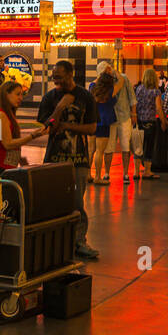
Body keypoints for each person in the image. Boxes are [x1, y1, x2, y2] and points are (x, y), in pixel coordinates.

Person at [36, 60, 100, 259]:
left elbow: (91, 128)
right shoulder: (50, 97)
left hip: (78, 160)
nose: (56, 80)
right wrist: (61, 107)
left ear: (71, 74)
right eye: (54, 77)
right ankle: (55, 241)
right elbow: (48, 127)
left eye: (60, 77)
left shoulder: (85, 97)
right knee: (53, 201)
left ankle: (79, 242)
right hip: (54, 159)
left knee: (76, 203)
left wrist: (67, 126)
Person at [0, 80, 43, 175]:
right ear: (6, 94)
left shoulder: (7, 112)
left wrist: (18, 158)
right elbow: (8, 144)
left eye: (22, 95)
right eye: (17, 94)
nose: (21, 98)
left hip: (5, 166)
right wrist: (32, 136)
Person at [99, 60, 136, 184]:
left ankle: (125, 173)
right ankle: (107, 173)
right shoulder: (103, 82)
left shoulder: (123, 78)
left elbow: (132, 96)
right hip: (111, 118)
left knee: (126, 145)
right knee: (108, 147)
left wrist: (133, 113)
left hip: (124, 116)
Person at [90, 71, 120, 185]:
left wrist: (101, 75)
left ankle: (88, 175)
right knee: (99, 151)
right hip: (104, 122)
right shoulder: (111, 91)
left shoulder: (93, 88)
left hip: (93, 121)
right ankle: (97, 177)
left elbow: (94, 82)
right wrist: (115, 72)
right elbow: (121, 81)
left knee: (90, 150)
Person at [133, 67, 161, 180]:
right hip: (151, 122)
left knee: (138, 146)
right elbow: (158, 107)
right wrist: (163, 120)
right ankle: (147, 171)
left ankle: (136, 172)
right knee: (149, 147)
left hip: (140, 121)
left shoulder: (138, 89)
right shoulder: (156, 91)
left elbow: (135, 104)